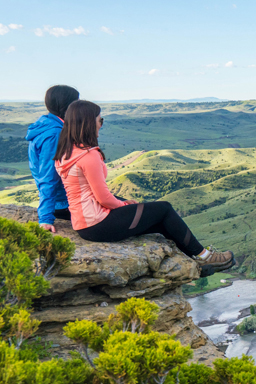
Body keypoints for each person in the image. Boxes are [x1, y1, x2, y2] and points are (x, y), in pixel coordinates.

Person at [54, 100, 234, 277]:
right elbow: (103, 198)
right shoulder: (89, 155)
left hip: (83, 223)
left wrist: (124, 204)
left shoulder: (66, 152)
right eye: (100, 120)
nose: (101, 125)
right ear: (88, 123)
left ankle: (196, 261)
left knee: (158, 220)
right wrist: (124, 206)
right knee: (164, 209)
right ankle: (205, 256)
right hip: (97, 223)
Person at [26, 85, 79, 232]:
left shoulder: (46, 124)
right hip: (64, 203)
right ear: (68, 106)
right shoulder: (54, 134)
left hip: (63, 200)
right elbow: (49, 177)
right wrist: (45, 218)